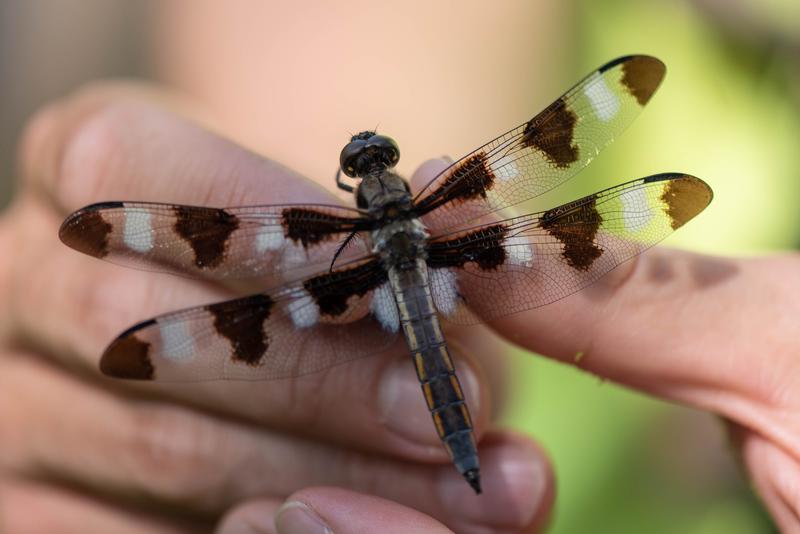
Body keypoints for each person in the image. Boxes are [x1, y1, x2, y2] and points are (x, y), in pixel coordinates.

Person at [2, 5, 799, 533]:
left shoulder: (339, 233)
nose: (371, 162)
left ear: (355, 184)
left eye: (367, 161)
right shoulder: (438, 209)